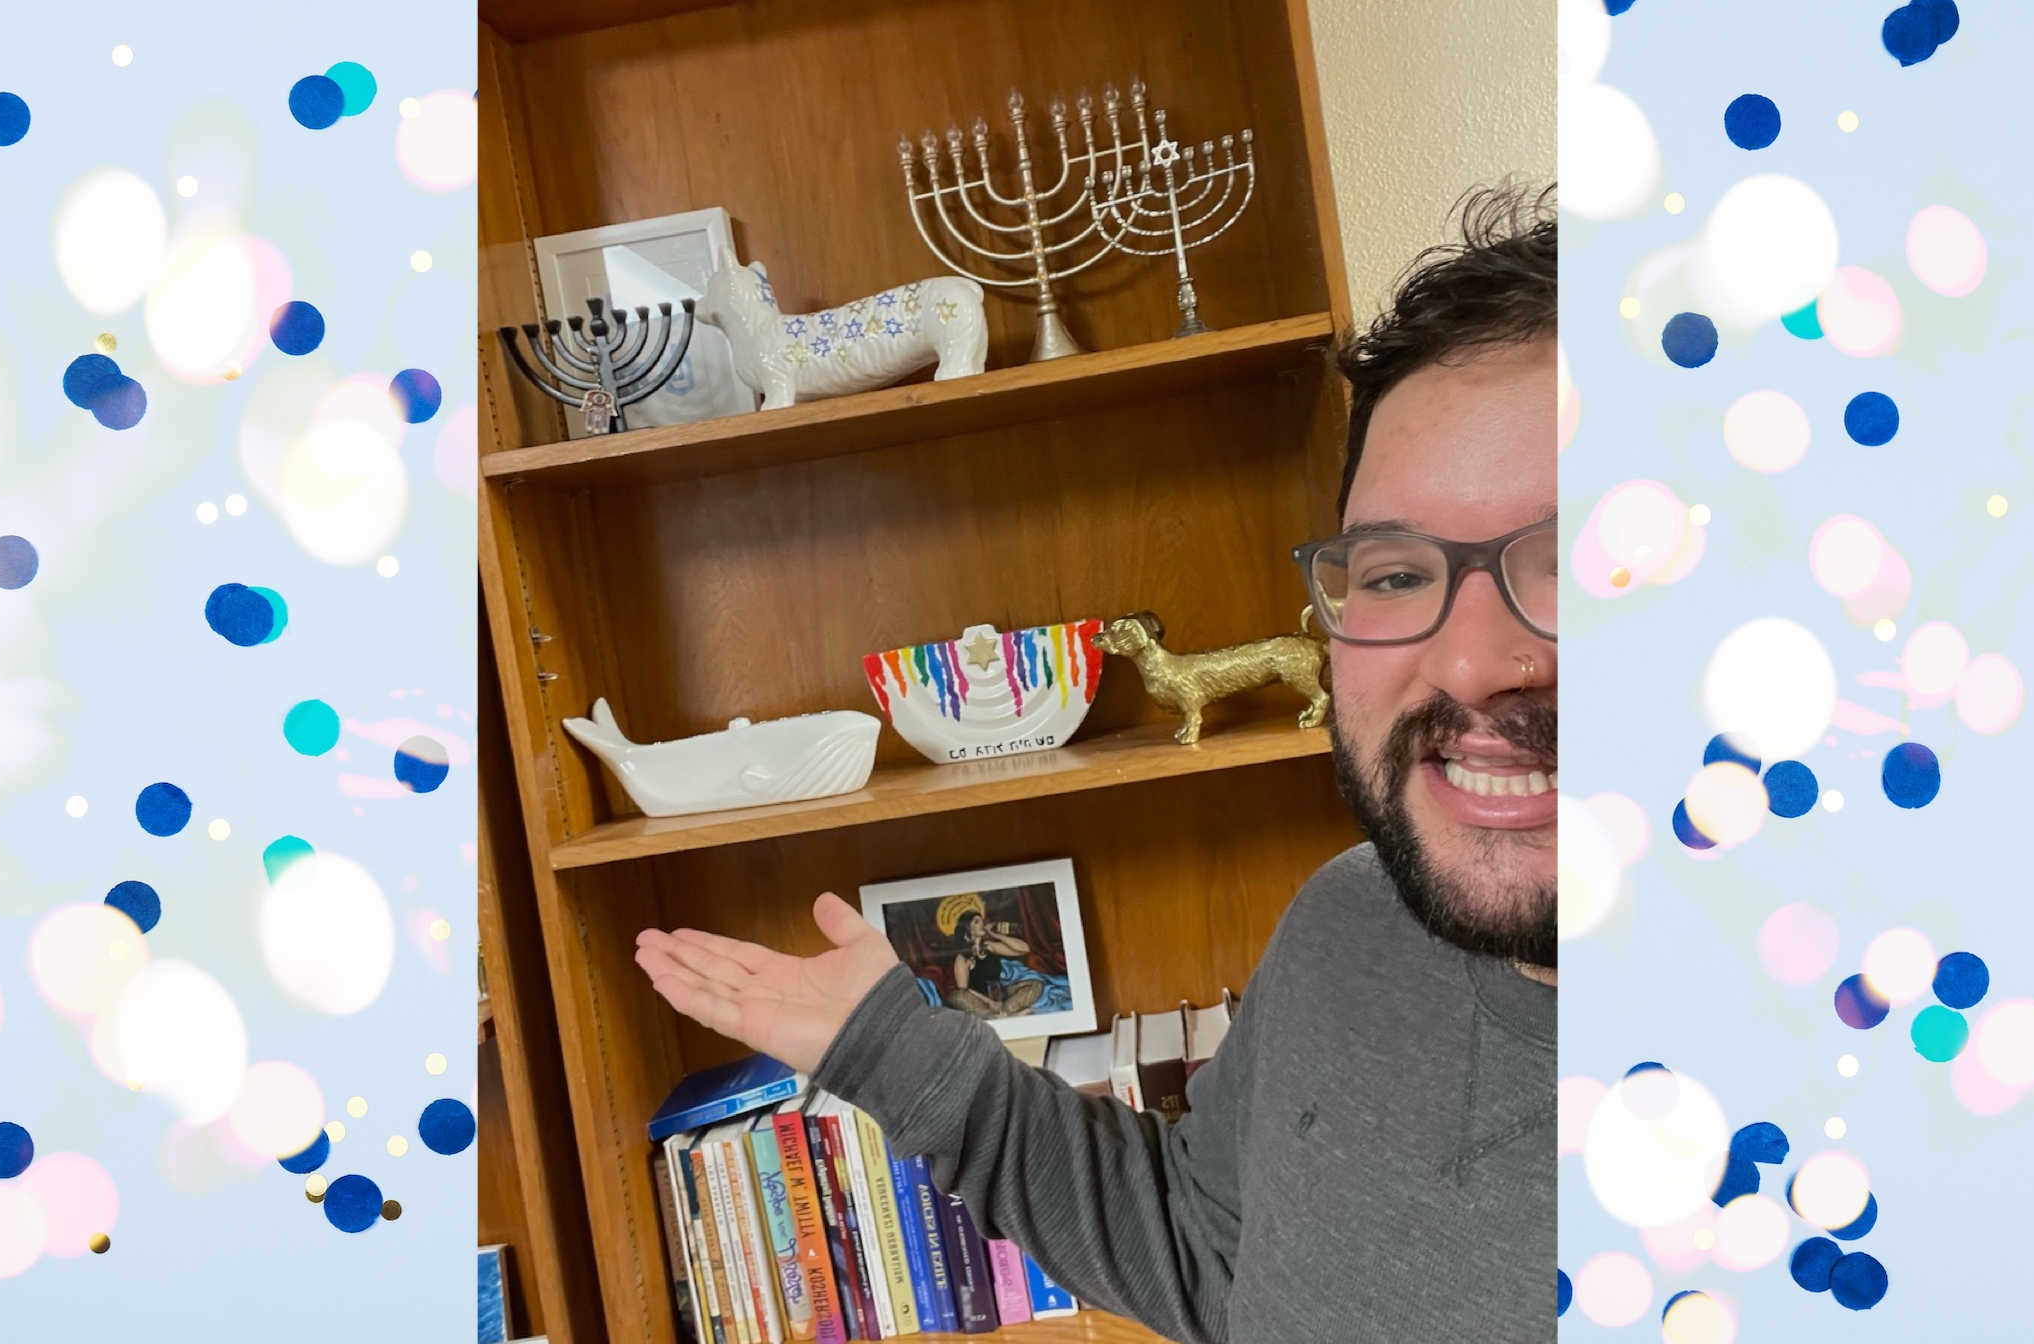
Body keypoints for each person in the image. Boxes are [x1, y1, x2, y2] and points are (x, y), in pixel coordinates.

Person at [636, 182, 1558, 1343]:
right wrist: (902, 1053)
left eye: (1581, 558)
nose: (1469, 663)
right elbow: (1204, 1244)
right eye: (1391, 572)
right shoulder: (1350, 922)